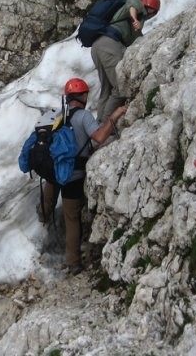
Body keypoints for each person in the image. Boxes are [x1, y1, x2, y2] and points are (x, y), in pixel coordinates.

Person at [39, 77, 127, 275]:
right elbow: (99, 137)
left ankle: (40, 226)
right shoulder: (84, 116)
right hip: (74, 174)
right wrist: (114, 116)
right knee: (72, 218)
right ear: (84, 96)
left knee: (48, 203)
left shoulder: (59, 116)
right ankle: (73, 262)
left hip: (55, 172)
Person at [91, 0, 160, 122]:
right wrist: (135, 20)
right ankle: (105, 126)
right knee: (120, 88)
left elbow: (138, 41)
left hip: (97, 45)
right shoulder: (136, 6)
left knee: (106, 89)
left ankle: (98, 125)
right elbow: (133, 7)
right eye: (152, 11)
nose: (151, 14)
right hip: (110, 44)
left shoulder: (133, 21)